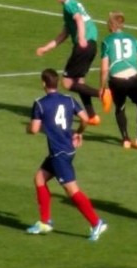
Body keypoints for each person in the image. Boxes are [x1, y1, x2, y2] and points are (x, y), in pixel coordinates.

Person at [26, 68, 108, 241]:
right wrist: (79, 133)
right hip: (68, 149)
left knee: (72, 190)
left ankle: (96, 222)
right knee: (39, 179)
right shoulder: (69, 99)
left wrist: (28, 127)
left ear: (43, 83)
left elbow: (33, 129)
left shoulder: (40, 103)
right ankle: (45, 221)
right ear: (56, 83)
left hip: (59, 153)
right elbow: (85, 119)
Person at [36, 0, 109, 125]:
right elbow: (64, 34)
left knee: (67, 83)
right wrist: (46, 48)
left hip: (83, 45)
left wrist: (81, 38)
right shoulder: (71, 6)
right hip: (91, 45)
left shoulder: (69, 4)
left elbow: (79, 20)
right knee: (79, 82)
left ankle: (101, 93)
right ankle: (92, 116)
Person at [99, 11, 137, 149]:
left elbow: (104, 69)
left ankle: (125, 139)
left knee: (120, 107)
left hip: (116, 81)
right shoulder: (132, 39)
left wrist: (102, 87)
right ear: (122, 25)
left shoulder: (106, 41)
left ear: (111, 25)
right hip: (133, 79)